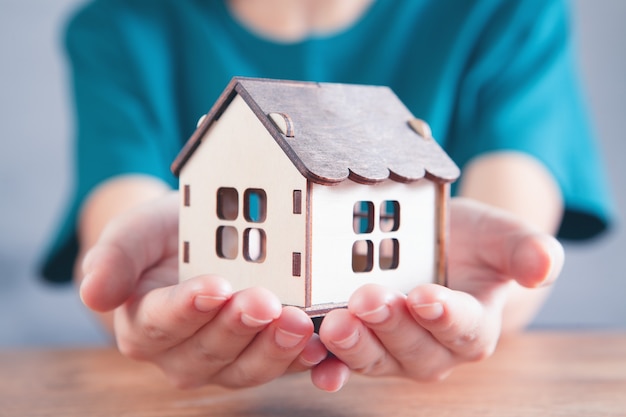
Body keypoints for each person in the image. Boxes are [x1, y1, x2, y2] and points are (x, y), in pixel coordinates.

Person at [41, 0, 611, 392]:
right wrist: (138, 281)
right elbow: (121, 217)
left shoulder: (507, 11)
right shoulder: (119, 27)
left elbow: (514, 218)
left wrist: (483, 290)